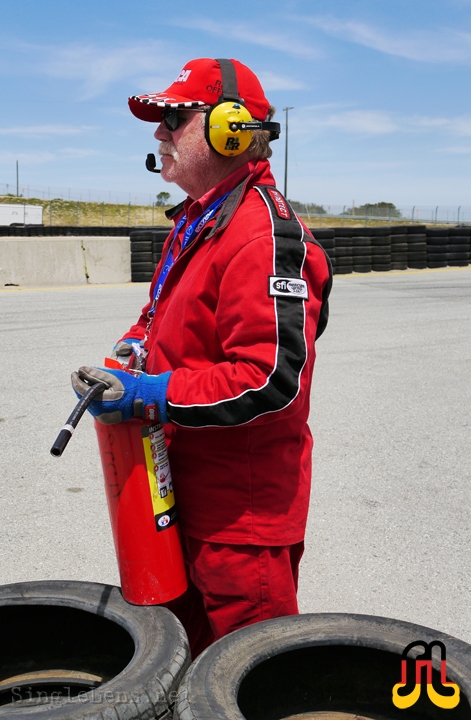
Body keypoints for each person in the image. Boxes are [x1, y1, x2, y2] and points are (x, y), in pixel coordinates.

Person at [72, 57, 332, 658]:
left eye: (173, 119)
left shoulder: (263, 235)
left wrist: (150, 394)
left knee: (242, 675)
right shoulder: (200, 218)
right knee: (181, 655)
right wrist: (135, 345)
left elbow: (269, 379)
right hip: (178, 490)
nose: (158, 134)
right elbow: (160, 309)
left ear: (231, 131)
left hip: (239, 520)